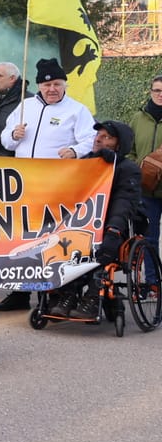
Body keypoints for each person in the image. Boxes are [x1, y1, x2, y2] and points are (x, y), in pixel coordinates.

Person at [0, 59, 97, 312]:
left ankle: (56, 294)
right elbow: (5, 140)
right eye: (47, 84)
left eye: (57, 84)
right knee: (21, 241)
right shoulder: (24, 106)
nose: (52, 89)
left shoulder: (77, 110)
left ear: (64, 85)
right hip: (25, 187)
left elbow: (91, 139)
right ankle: (18, 293)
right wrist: (13, 135)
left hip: (58, 188)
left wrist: (75, 149)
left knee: (54, 241)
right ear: (39, 86)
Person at [45, 121, 142, 319]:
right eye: (98, 135)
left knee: (100, 247)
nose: (98, 139)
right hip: (81, 225)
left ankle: (92, 296)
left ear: (119, 144)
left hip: (111, 226)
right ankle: (68, 295)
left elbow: (124, 203)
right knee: (62, 244)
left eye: (107, 137)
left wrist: (114, 230)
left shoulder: (128, 169)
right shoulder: (84, 163)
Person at [127, 75, 162, 284]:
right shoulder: (137, 119)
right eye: (156, 90)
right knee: (149, 239)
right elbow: (128, 150)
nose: (160, 95)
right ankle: (152, 283)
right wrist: (138, 167)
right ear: (150, 92)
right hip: (146, 190)